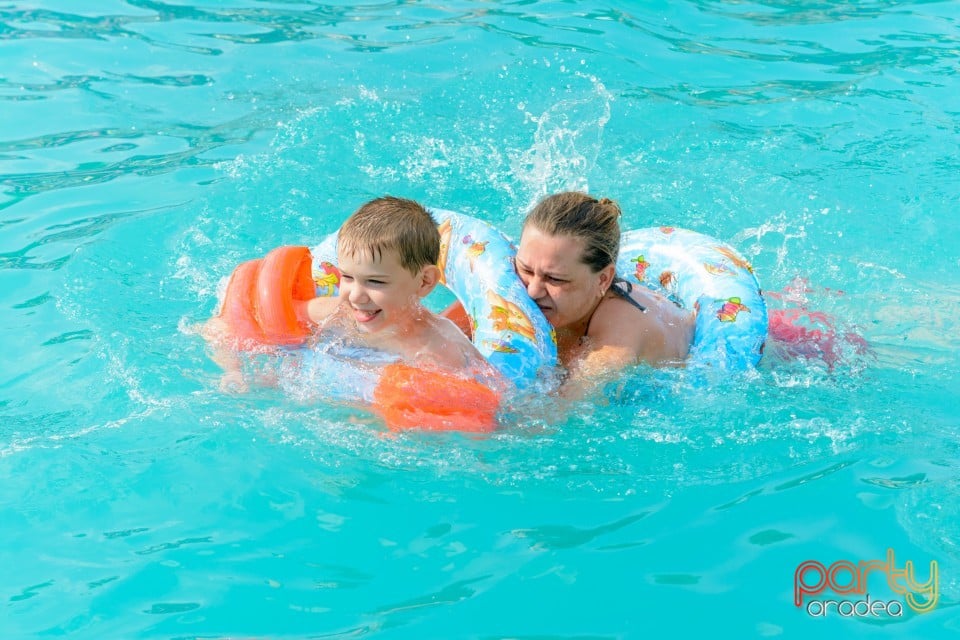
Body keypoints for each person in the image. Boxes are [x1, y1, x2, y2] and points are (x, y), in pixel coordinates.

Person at [205, 196, 492, 392]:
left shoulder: (438, 351)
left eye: (375, 282)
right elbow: (259, 323)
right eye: (348, 277)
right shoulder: (341, 311)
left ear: (425, 282)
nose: (356, 295)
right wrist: (233, 368)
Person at [445, 191, 695, 396]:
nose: (532, 290)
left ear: (604, 279)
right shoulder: (513, 287)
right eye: (526, 269)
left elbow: (559, 415)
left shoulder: (619, 335)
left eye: (554, 279)